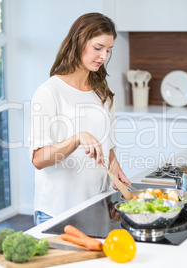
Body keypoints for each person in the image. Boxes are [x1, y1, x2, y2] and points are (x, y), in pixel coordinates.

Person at [29, 12, 131, 225]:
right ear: (78, 42)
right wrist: (76, 138)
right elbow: (39, 159)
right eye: (98, 48)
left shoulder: (103, 92)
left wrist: (114, 168)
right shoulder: (49, 92)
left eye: (108, 50)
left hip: (97, 205)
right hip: (57, 212)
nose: (103, 56)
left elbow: (106, 144)